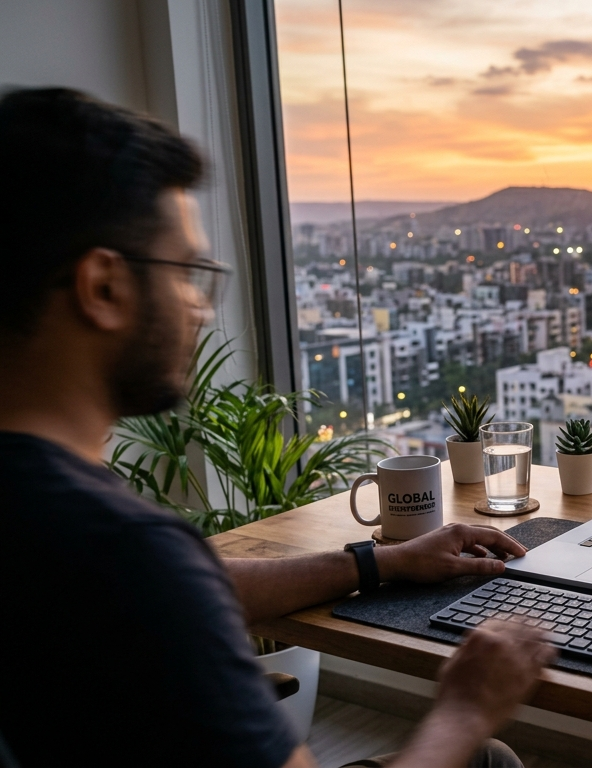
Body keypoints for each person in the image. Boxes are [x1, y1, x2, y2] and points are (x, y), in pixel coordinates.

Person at [0, 87, 553, 768]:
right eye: (187, 273)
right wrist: (467, 707)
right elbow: (156, 579)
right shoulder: (121, 549)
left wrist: (381, 561)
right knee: (486, 757)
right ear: (103, 287)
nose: (200, 308)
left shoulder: (58, 525)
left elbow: (189, 584)